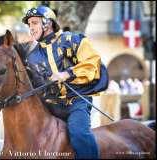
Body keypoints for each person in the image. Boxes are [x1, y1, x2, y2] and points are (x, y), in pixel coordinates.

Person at [22, 5, 101, 159]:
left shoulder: (71, 39)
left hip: (76, 102)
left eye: (34, 23)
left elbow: (93, 62)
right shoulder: (31, 57)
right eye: (29, 24)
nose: (31, 28)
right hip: (50, 107)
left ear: (48, 23)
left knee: (78, 133)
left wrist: (67, 74)